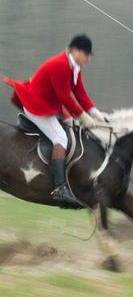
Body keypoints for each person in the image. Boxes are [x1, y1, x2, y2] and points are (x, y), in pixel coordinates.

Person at [3, 34, 108, 204]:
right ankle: (60, 188)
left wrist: (94, 112)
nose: (88, 59)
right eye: (86, 54)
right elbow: (65, 97)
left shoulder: (74, 66)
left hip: (50, 105)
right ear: (75, 51)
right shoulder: (60, 65)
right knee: (61, 138)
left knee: (72, 128)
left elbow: (79, 92)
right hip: (36, 106)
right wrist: (83, 116)